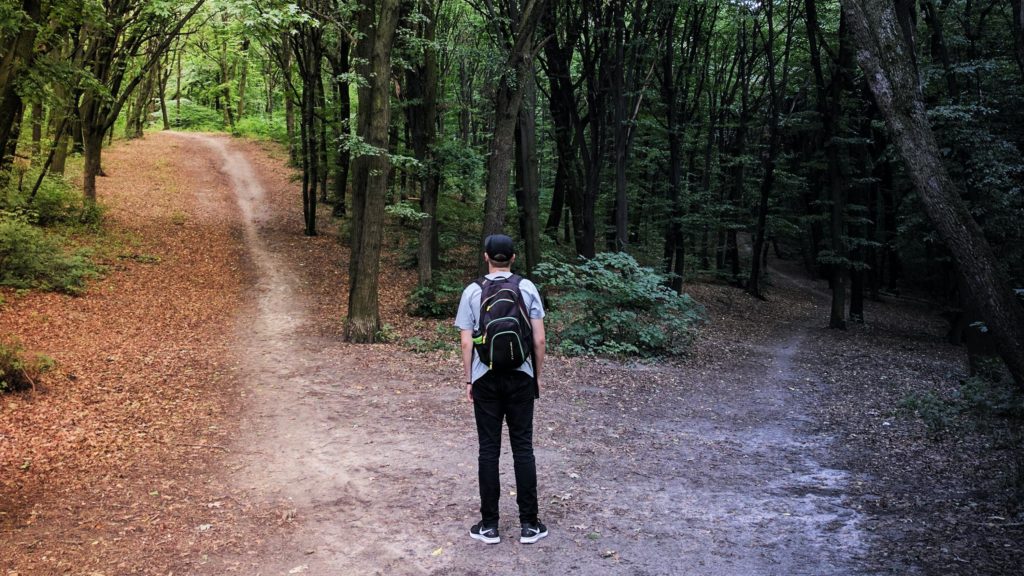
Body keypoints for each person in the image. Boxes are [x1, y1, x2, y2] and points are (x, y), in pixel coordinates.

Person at [455, 234, 548, 545]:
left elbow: (467, 341)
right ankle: (530, 525)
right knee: (523, 448)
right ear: (513, 257)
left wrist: (470, 379)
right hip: (521, 376)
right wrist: (536, 375)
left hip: (486, 378)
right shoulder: (527, 287)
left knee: (488, 450)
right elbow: (539, 340)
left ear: (486, 257)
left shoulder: (472, 291)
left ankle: (490, 525)